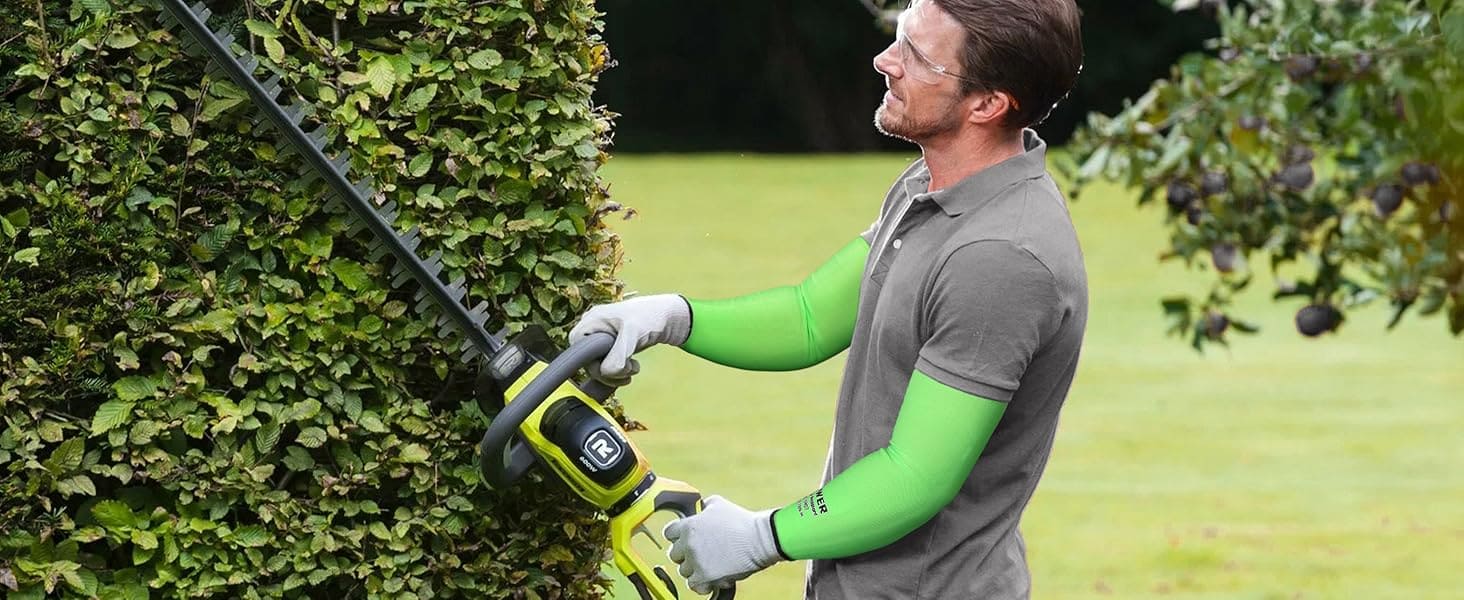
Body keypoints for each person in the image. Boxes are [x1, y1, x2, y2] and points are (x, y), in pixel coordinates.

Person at [568, 0, 1086, 597]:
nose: (884, 59)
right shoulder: (931, 187)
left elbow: (916, 474)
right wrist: (672, 317)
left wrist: (764, 536)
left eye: (917, 56)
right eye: (900, 38)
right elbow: (811, 316)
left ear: (988, 104)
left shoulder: (1002, 256)